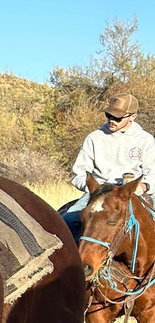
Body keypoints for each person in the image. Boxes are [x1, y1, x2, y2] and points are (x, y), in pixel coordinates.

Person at [62, 93, 155, 238]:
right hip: (98, 193)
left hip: (133, 193)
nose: (111, 120)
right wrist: (95, 189)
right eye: (109, 115)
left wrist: (143, 187)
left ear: (132, 116)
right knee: (67, 221)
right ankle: (73, 259)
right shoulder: (94, 138)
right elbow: (78, 174)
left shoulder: (146, 140)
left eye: (117, 117)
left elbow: (152, 174)